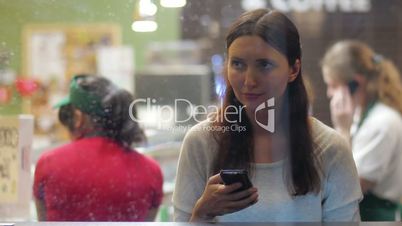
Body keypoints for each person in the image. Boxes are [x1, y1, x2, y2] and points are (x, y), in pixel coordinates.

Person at [173, 9, 362, 222]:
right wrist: (201, 213)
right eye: (238, 64)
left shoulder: (329, 148)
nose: (249, 80)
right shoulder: (202, 142)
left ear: (293, 69)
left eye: (264, 65)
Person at [33, 75, 163, 221]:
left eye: (67, 116)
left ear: (78, 118)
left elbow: (43, 221)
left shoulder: (49, 163)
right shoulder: (150, 170)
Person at [321, 40, 402, 221]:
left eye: (333, 85)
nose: (329, 94)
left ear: (355, 83)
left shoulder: (382, 122)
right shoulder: (361, 114)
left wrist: (342, 129)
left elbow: (349, 187)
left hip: (377, 218)